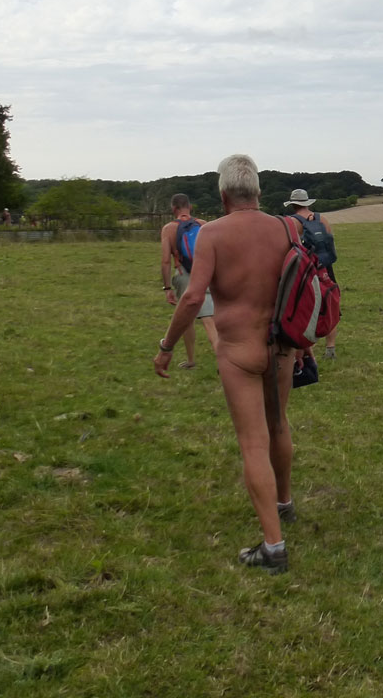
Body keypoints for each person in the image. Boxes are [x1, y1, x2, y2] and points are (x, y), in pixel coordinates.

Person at [153, 155, 296, 574]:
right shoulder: (288, 228)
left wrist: (167, 345)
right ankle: (284, 502)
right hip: (282, 345)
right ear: (258, 192)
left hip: (238, 349)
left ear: (222, 196)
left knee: (253, 443)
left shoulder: (211, 233)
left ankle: (273, 547)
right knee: (279, 425)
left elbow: (194, 298)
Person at [158, 193, 219, 368]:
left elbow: (165, 261)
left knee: (188, 318)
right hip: (205, 272)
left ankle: (196, 360)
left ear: (173, 209)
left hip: (183, 274)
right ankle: (214, 360)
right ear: (190, 207)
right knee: (209, 317)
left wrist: (167, 288)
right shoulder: (203, 225)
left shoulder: (169, 229)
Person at [282, 188, 338, 367]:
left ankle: (304, 349)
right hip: (326, 267)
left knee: (306, 308)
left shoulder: (292, 222)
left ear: (293, 204)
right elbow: (330, 241)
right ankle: (330, 347)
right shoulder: (322, 219)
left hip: (307, 269)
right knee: (329, 304)